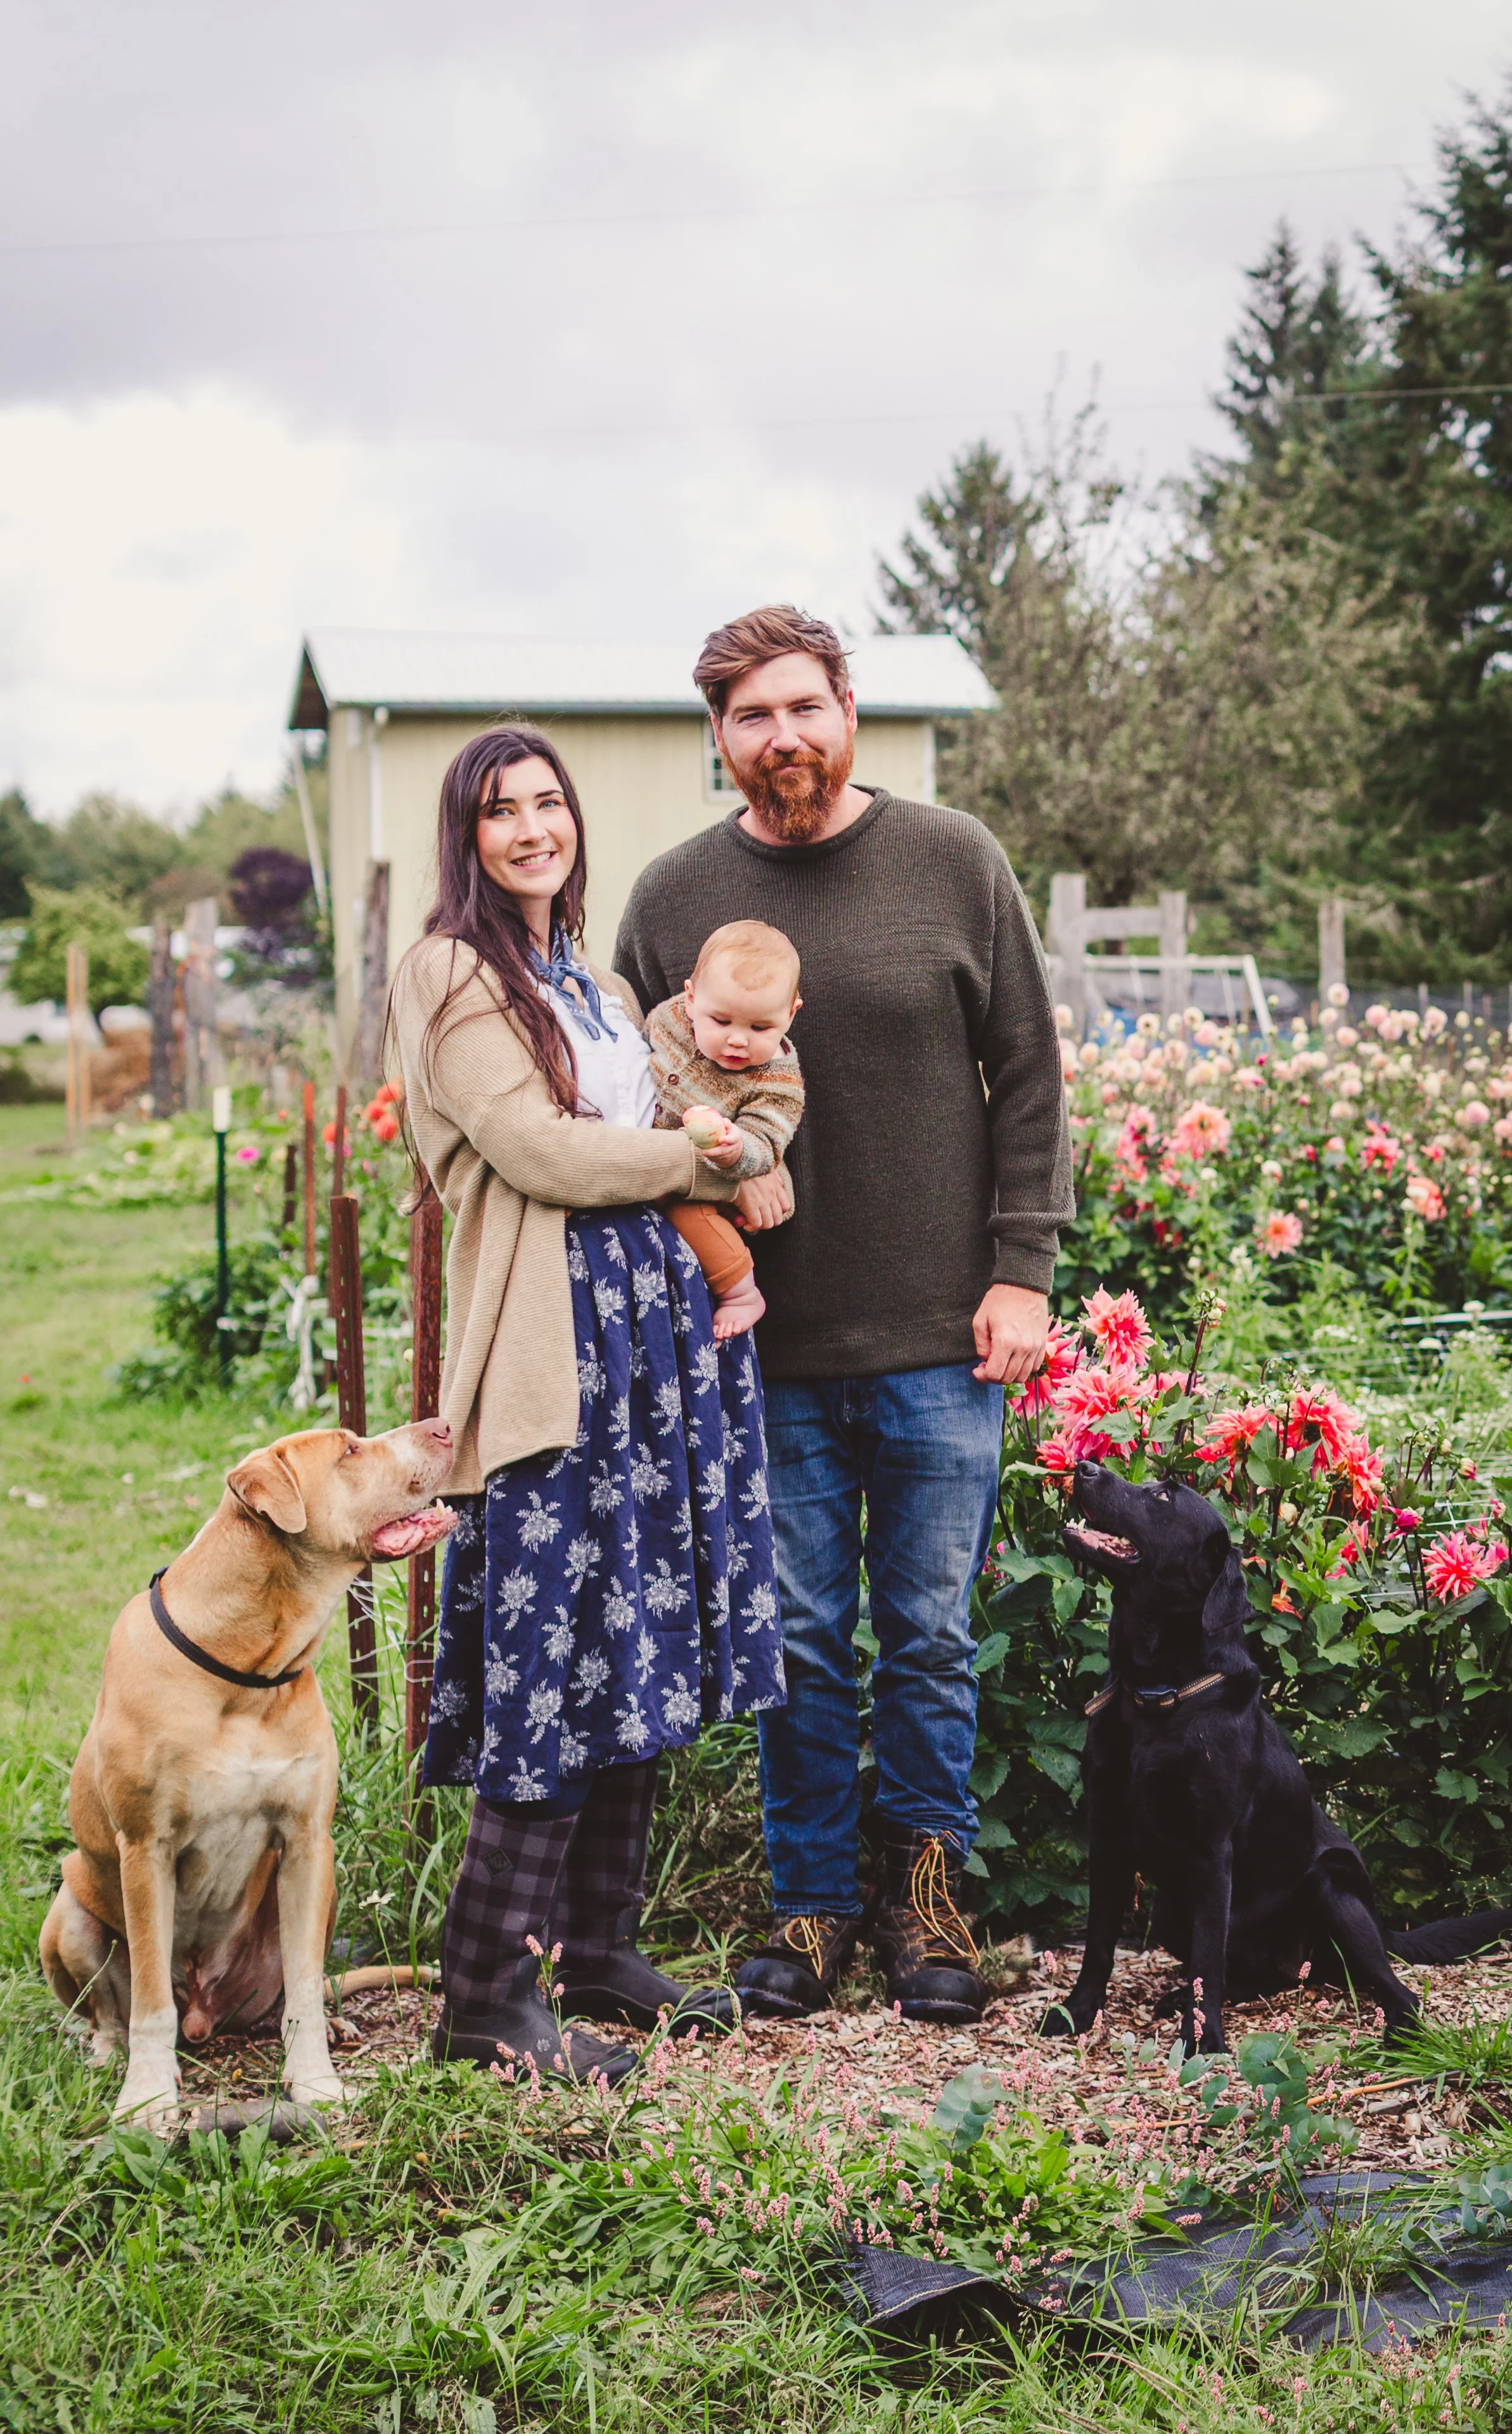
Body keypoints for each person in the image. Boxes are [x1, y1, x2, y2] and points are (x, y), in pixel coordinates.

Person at [615, 605, 1073, 2028]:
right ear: (718, 737)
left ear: (848, 710)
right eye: (751, 716)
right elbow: (617, 1097)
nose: (783, 738)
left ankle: (930, 1903)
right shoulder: (672, 895)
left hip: (944, 1335)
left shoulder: (953, 863)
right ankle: (809, 1906)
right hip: (767, 1349)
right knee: (802, 1636)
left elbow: (1031, 1080)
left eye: (803, 707)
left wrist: (1022, 1270)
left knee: (928, 1631)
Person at [389, 724, 786, 2087]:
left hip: (654, 1346)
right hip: (554, 1351)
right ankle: (487, 1998)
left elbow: (717, 1099)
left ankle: (597, 1948)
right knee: (551, 1655)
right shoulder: (451, 970)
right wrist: (700, 1159)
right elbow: (538, 1150)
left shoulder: (595, 978)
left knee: (639, 1637)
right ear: (469, 835)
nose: (530, 829)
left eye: (547, 804)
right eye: (500, 811)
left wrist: (744, 1159)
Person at [646, 918, 805, 1342]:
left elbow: (768, 1141)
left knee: (690, 1216)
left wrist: (737, 1150)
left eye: (759, 1028)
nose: (738, 1041)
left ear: (791, 1015)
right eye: (720, 1020)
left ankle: (741, 1295)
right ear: (691, 997)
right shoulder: (669, 1020)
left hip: (718, 1180)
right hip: (650, 1164)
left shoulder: (778, 1082)